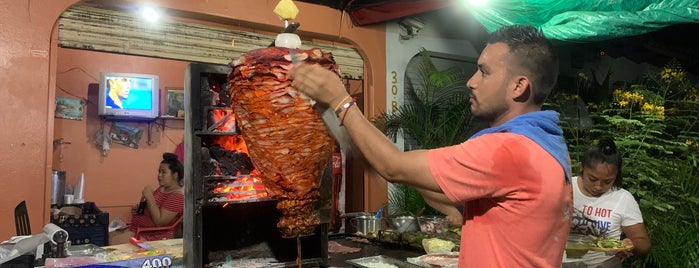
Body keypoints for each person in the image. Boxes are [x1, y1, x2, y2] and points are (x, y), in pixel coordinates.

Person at [291, 24, 572, 267]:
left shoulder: (508, 150)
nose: (471, 82)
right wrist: (390, 164)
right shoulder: (546, 144)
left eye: (484, 72)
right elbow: (453, 195)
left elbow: (394, 166)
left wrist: (340, 100)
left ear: (518, 86)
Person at [567, 138, 650, 267]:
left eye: (608, 182)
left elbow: (643, 244)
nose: (598, 187)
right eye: (592, 179)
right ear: (582, 167)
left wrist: (631, 245)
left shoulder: (623, 198)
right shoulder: (564, 188)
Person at [110, 153, 184, 244]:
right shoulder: (162, 189)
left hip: (151, 236)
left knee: (112, 241)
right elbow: (153, 208)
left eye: (163, 172)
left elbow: (160, 221)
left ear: (175, 175)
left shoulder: (177, 197)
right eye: (159, 172)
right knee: (107, 234)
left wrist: (149, 197)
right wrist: (140, 210)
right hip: (137, 229)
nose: (159, 175)